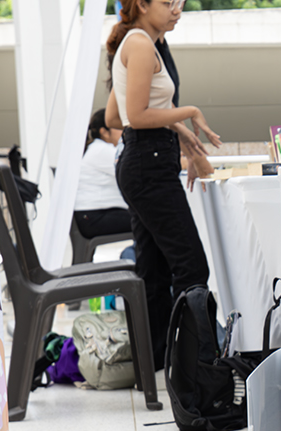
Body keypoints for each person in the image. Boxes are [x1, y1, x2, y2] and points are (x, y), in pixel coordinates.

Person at [107, 0, 220, 367]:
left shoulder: (137, 43)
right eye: (168, 2)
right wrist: (188, 113)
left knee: (153, 270)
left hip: (142, 162)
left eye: (180, 3)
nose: (177, 10)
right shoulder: (140, 45)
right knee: (191, 267)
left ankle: (157, 362)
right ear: (141, 4)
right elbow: (136, 116)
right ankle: (196, 367)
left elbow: (115, 114)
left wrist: (179, 132)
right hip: (148, 164)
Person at [74, 109, 130, 243]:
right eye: (118, 127)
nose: (124, 131)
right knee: (149, 221)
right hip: (95, 217)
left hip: (96, 215)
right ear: (104, 132)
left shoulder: (98, 149)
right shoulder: (102, 150)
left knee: (146, 219)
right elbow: (134, 170)